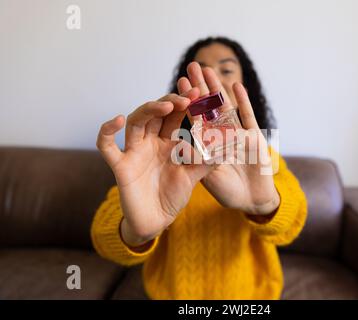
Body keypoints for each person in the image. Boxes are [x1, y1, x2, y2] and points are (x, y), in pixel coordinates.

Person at [91, 36, 308, 299]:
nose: (210, 80)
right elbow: (103, 239)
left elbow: (293, 221)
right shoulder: (161, 159)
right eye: (200, 72)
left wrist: (265, 205)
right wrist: (135, 231)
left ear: (244, 92)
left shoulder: (263, 156)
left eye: (226, 70)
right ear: (185, 95)